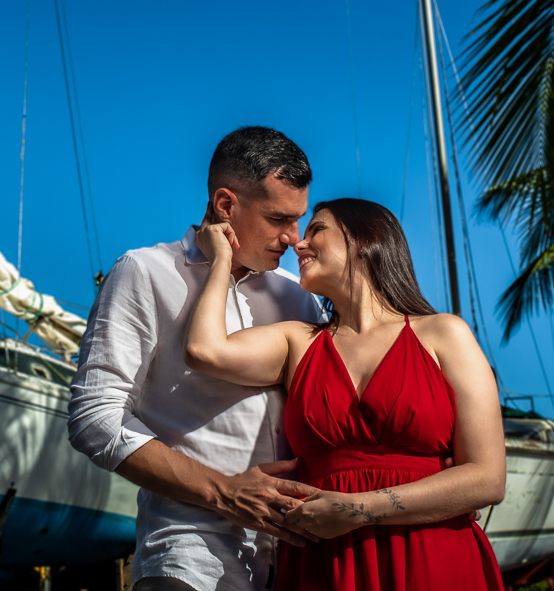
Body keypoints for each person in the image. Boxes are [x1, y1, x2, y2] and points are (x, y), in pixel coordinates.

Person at [184, 198, 506, 590]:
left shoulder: (444, 333)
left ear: (366, 237)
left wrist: (359, 510)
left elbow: (488, 478)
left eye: (316, 230)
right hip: (325, 563)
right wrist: (220, 260)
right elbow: (204, 351)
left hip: (432, 554)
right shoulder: (297, 342)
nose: (298, 244)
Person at [68, 127, 328, 591]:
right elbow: (95, 417)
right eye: (278, 219)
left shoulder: (299, 297)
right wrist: (224, 492)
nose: (293, 238)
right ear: (226, 205)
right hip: (188, 555)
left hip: (299, 559)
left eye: (299, 220)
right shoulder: (144, 272)